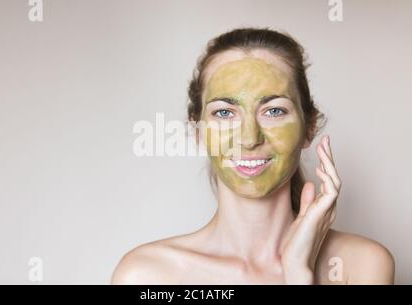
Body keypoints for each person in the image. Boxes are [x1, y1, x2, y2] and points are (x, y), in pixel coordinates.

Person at [111, 28, 394, 284]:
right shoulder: (147, 276)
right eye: (224, 112)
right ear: (198, 131)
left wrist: (298, 271)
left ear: (309, 127)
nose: (249, 139)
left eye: (274, 111)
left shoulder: (360, 267)